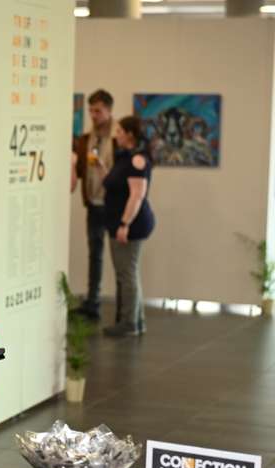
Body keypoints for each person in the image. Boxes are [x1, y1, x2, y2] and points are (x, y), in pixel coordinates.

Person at [101, 116, 155, 337]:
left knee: (127, 273)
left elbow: (137, 195)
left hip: (130, 225)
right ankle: (136, 320)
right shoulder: (125, 158)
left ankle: (129, 322)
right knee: (128, 272)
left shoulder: (137, 160)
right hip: (119, 222)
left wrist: (125, 224)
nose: (117, 135)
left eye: (120, 131)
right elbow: (116, 184)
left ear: (130, 134)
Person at [73, 89, 117, 320]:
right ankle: (93, 302)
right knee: (95, 255)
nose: (93, 115)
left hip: (114, 204)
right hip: (93, 203)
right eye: (91, 110)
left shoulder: (118, 138)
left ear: (109, 110)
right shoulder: (86, 139)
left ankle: (124, 310)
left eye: (98, 110)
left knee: (120, 258)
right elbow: (81, 169)